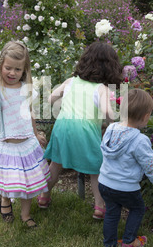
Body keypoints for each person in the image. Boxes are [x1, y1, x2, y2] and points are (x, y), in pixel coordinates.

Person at [38, 41, 122, 219]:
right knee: (96, 168)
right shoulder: (102, 89)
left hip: (62, 126)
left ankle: (44, 197)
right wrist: (111, 124)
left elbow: (51, 98)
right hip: (85, 129)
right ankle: (99, 207)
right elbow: (108, 112)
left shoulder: (71, 81)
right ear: (110, 68)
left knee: (56, 163)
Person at [0, 41, 50, 228]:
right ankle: (5, 200)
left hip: (27, 143)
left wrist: (36, 134)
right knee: (10, 180)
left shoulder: (25, 89)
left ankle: (25, 215)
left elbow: (30, 113)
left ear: (24, 70)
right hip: (9, 145)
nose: (12, 73)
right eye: (8, 68)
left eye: (17, 69)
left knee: (27, 184)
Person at [98, 89, 153, 247]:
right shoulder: (140, 140)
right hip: (125, 187)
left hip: (104, 183)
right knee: (137, 209)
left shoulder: (111, 129)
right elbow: (151, 166)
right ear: (145, 116)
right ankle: (129, 240)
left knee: (111, 211)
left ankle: (109, 244)